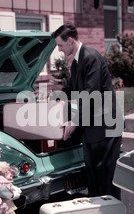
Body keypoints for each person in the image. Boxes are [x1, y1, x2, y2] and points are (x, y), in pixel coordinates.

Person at [51, 23, 124, 198]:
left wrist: (74, 121)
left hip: (106, 127)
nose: (59, 50)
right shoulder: (77, 62)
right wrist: (52, 95)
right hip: (92, 127)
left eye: (60, 45)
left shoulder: (90, 57)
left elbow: (91, 95)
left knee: (106, 178)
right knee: (93, 176)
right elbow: (74, 90)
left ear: (70, 41)